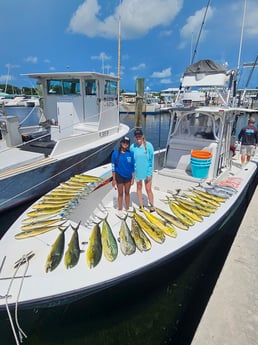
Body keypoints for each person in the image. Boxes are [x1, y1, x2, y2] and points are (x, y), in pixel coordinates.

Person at [130, 129, 155, 212]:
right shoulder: (132, 147)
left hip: (147, 172)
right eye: (137, 136)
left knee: (148, 189)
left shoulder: (149, 146)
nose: (138, 138)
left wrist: (149, 173)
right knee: (139, 188)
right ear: (134, 138)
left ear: (143, 136)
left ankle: (152, 206)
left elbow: (151, 161)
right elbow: (131, 160)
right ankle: (141, 205)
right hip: (137, 172)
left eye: (140, 136)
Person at [111, 136, 135, 212]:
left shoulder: (130, 154)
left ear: (128, 144)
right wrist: (114, 179)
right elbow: (113, 167)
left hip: (128, 176)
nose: (125, 144)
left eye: (127, 142)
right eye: (124, 142)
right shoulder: (115, 153)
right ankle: (120, 208)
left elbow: (132, 167)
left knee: (127, 192)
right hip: (119, 176)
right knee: (120, 193)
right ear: (121, 143)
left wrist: (133, 178)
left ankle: (127, 208)